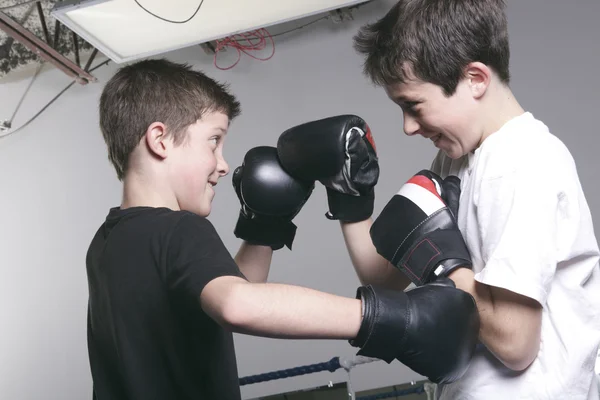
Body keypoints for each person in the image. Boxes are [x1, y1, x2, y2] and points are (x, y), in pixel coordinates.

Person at [85, 58, 481, 400]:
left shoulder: (107, 243)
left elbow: (223, 294)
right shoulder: (179, 230)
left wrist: (264, 229)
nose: (223, 164)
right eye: (214, 141)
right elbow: (237, 304)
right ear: (160, 140)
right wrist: (391, 318)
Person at [273, 0, 600, 399]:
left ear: (475, 78)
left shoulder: (521, 162)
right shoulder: (456, 159)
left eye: (414, 105)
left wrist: (442, 262)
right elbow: (383, 280)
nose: (408, 127)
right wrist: (351, 198)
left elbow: (516, 344)